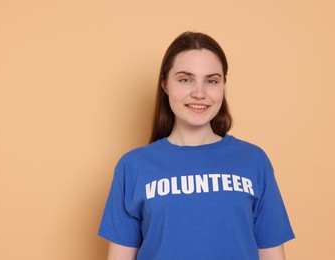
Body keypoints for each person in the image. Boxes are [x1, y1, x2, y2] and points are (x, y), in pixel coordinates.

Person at [98, 31, 295, 260]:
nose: (199, 93)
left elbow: (272, 254)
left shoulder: (253, 160)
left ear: (223, 86)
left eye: (211, 81)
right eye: (185, 79)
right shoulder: (133, 167)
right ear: (164, 83)